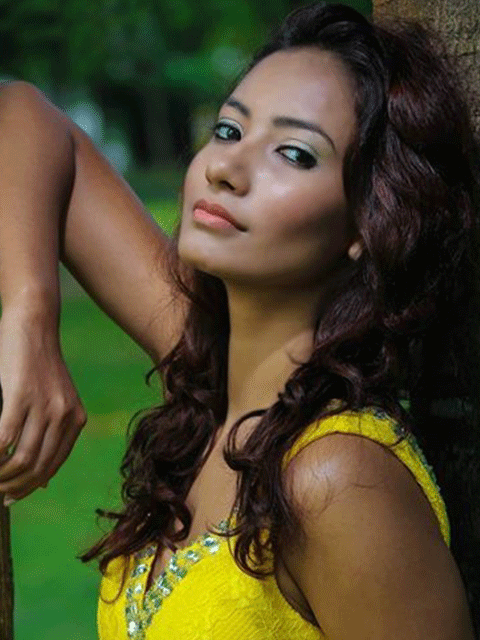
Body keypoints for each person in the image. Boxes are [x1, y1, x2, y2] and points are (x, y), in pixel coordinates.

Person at [0, 2, 478, 638]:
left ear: (368, 220)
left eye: (294, 153)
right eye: (228, 130)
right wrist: (30, 316)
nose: (224, 169)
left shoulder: (338, 479)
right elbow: (21, 114)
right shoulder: (208, 379)